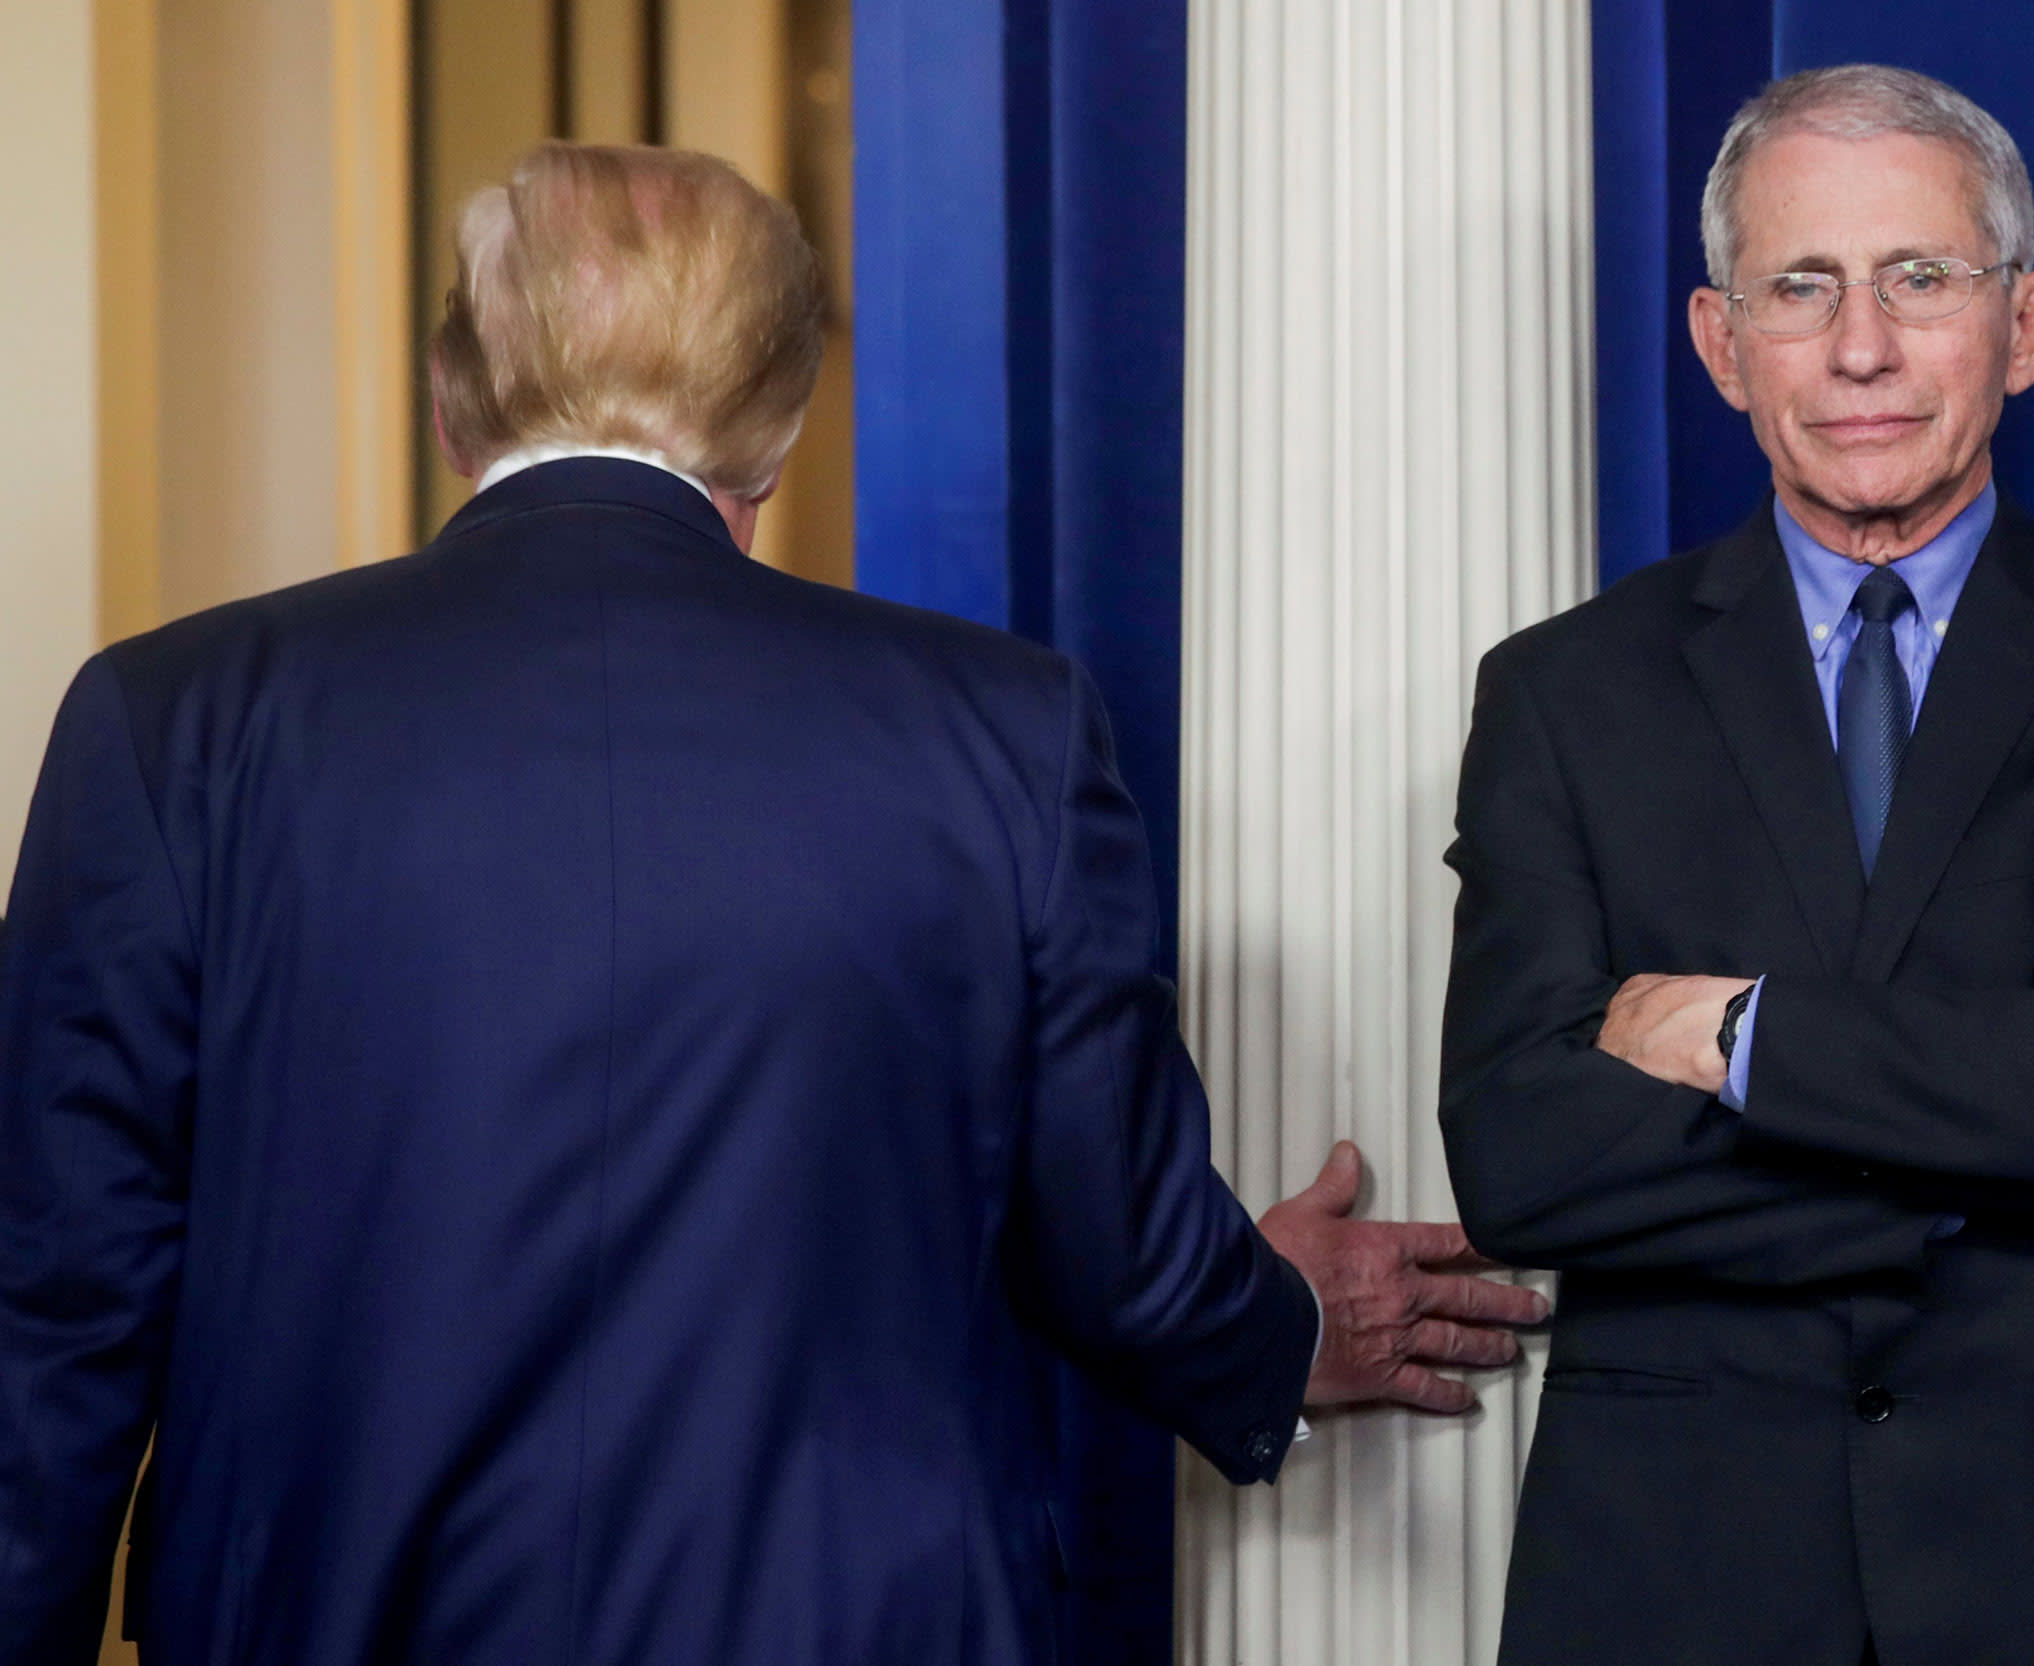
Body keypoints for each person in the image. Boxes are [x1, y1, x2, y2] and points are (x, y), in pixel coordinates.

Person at [0, 142, 1543, 1666]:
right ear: (781, 428)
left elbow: (50, 1323)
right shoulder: (1001, 728)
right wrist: (1274, 1330)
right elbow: (1118, 1239)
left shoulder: (168, 723)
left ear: (448, 394)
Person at [1441, 65, 2034, 1666]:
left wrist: (1729, 1034)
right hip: (1673, 1571)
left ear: (2028, 323)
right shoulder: (1563, 690)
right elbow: (1524, 1155)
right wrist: (2005, 1090)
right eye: (1801, 288)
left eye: (1919, 278)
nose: (1860, 349)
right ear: (1720, 342)